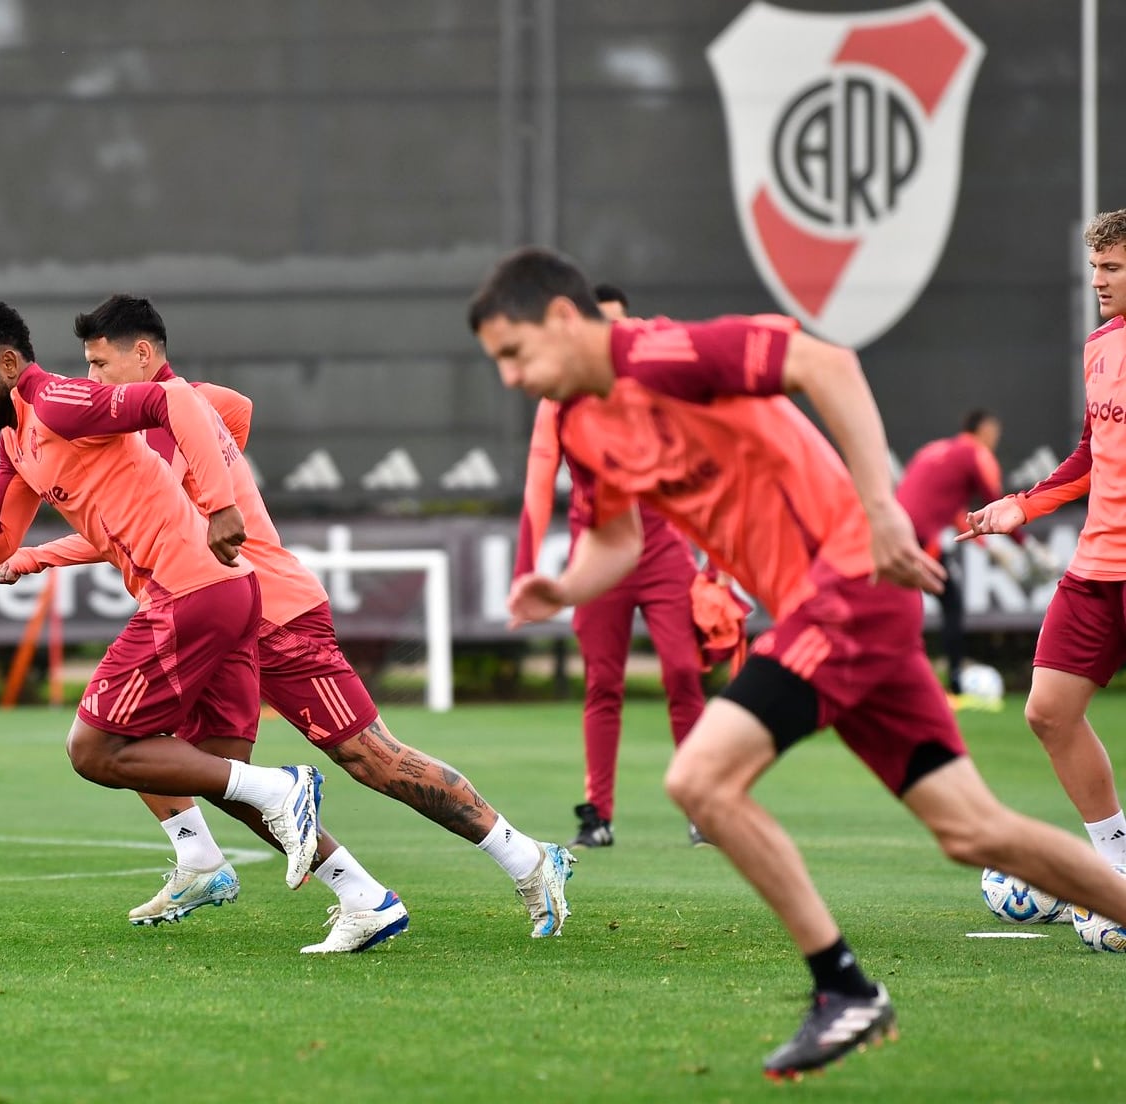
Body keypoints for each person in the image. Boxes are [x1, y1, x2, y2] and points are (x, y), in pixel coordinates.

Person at [469, 246, 1126, 1080]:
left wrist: (882, 511)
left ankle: (844, 989)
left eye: (514, 353)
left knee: (701, 779)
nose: (510, 378)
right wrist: (559, 585)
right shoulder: (580, 421)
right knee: (973, 831)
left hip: (848, 583)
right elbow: (616, 541)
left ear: (564, 320)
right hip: (840, 608)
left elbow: (827, 362)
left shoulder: (663, 353)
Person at [0, 293, 575, 949]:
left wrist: (44, 552)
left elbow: (158, 501)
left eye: (101, 366)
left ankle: (527, 858)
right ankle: (246, 872)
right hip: (214, 606)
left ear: (142, 354)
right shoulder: (168, 410)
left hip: (274, 610)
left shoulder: (161, 417)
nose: (93, 382)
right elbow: (234, 410)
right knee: (163, 751)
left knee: (370, 758)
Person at [0, 298, 327, 902]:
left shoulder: (56, 401)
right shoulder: (17, 442)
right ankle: (361, 896)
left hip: (192, 591)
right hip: (221, 591)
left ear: (6, 364)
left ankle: (276, 793)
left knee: (96, 746)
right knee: (204, 766)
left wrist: (218, 501)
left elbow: (177, 399)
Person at [959, 208, 1126, 870]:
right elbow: (1090, 454)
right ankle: (1115, 864)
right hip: (1095, 566)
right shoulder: (1100, 346)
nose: (1098, 280)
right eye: (1093, 268)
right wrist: (1020, 508)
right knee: (1048, 712)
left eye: (1111, 267)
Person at [517, 282, 709, 849]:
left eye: (619, 324)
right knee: (603, 682)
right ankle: (596, 815)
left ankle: (703, 805)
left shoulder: (654, 385)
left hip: (662, 549)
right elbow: (536, 484)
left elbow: (703, 475)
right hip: (600, 556)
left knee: (682, 672)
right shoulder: (558, 397)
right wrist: (526, 568)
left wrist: (718, 565)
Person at [897, 410, 1048, 697]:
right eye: (994, 431)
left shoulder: (937, 449)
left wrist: (986, 547)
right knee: (949, 605)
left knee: (905, 604)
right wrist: (1026, 545)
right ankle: (951, 683)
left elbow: (946, 507)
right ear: (984, 430)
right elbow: (999, 506)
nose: (995, 438)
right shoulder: (977, 454)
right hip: (920, 537)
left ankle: (911, 681)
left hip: (895, 532)